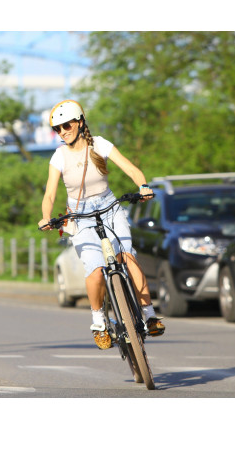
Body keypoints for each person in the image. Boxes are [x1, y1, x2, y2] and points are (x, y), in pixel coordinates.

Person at [38, 99, 165, 349]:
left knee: (128, 257)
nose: (63, 132)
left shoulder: (100, 144)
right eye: (57, 129)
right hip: (80, 216)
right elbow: (50, 194)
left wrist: (143, 186)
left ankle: (149, 315)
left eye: (66, 125)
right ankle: (99, 322)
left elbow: (131, 169)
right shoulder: (59, 156)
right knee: (95, 270)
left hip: (110, 208)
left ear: (79, 122)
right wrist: (46, 216)